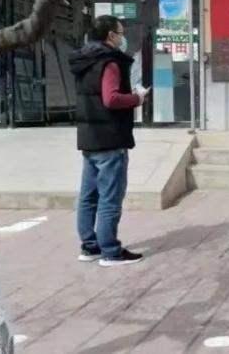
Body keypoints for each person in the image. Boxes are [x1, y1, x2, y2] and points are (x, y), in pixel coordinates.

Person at [70, 15, 149, 267]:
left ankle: (89, 246)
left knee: (88, 196)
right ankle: (111, 251)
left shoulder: (84, 61)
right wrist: (137, 98)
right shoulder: (110, 62)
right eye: (121, 33)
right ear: (110, 35)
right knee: (109, 199)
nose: (123, 38)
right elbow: (111, 98)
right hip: (110, 139)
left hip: (90, 138)